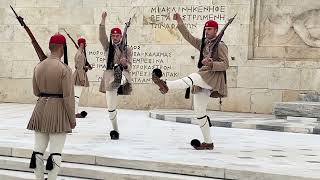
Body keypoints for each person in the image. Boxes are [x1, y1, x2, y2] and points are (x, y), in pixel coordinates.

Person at [152, 13, 229, 150]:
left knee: (193, 77)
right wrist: (180, 22)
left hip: (212, 77)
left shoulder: (221, 45)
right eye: (206, 29)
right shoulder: (204, 43)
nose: (207, 31)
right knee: (199, 112)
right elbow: (189, 37)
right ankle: (208, 143)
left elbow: (225, 64)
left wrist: (212, 63)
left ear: (216, 31)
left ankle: (166, 84)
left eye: (210, 29)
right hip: (204, 76)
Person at [27, 33, 76, 179]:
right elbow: (68, 97)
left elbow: (36, 92)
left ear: (50, 47)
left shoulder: (38, 66)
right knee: (55, 152)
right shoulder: (64, 69)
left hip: (40, 109)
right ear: (62, 48)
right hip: (58, 110)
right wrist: (72, 118)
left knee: (38, 151)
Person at [99, 11, 133, 140]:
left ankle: (120, 81)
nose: (115, 38)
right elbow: (102, 37)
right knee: (110, 107)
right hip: (109, 76)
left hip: (122, 74)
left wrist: (124, 64)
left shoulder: (127, 49)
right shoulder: (108, 47)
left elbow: (130, 67)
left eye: (117, 36)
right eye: (113, 36)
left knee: (122, 75)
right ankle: (115, 129)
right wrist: (103, 20)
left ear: (120, 36)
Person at [73, 37, 91, 118]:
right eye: (84, 43)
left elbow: (80, 66)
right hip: (79, 76)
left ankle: (74, 112)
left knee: (76, 95)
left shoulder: (80, 53)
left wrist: (86, 67)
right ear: (81, 44)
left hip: (78, 74)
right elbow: (79, 68)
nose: (86, 44)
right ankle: (74, 113)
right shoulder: (80, 54)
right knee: (76, 96)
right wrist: (82, 79)